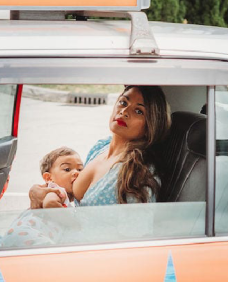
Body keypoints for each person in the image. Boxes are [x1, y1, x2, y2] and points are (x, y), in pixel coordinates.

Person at [30, 86, 170, 208]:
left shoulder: (139, 173)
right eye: (123, 102)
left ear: (151, 125)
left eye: (138, 111)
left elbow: (136, 232)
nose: (124, 111)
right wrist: (38, 192)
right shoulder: (100, 148)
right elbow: (68, 193)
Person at [0, 147, 83, 249]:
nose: (76, 172)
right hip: (27, 233)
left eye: (80, 169)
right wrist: (74, 223)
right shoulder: (57, 190)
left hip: (19, 234)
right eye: (67, 169)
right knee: (54, 254)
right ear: (49, 178)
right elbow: (50, 204)